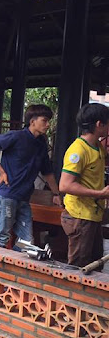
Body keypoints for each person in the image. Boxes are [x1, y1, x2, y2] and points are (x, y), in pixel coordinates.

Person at [0, 104, 61, 248]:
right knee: (2, 237)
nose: (48, 125)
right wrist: (1, 171)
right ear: (32, 121)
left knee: (27, 242)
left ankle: (14, 262)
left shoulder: (41, 144)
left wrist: (56, 194)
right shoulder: (16, 136)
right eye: (44, 121)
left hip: (24, 198)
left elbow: (47, 171)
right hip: (7, 195)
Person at [59, 103, 109, 267]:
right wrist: (100, 194)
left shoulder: (98, 147)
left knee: (95, 264)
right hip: (80, 216)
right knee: (79, 267)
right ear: (99, 124)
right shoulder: (78, 150)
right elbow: (65, 186)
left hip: (92, 214)